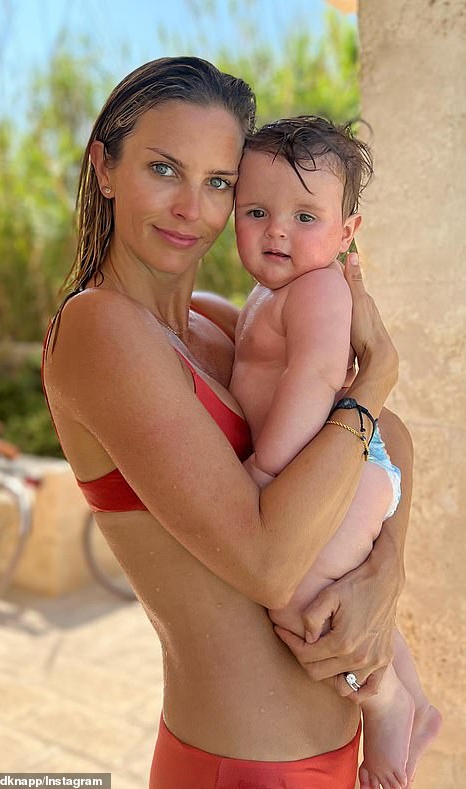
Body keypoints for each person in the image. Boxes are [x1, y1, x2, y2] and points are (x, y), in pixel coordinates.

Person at [42, 57, 405, 789]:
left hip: (336, 756)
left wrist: (385, 569)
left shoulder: (219, 322)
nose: (191, 208)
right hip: (241, 767)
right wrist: (376, 378)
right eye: (164, 169)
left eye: (217, 184)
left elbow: (391, 440)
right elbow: (268, 562)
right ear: (105, 168)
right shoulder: (99, 331)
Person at [230, 116, 442, 789]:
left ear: (347, 233)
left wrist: (265, 469)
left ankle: (382, 699)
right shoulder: (269, 292)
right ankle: (414, 699)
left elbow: (318, 378)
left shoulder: (320, 290)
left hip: (346, 472)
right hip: (349, 470)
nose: (277, 232)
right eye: (257, 211)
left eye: (304, 216)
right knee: (338, 588)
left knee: (298, 595)